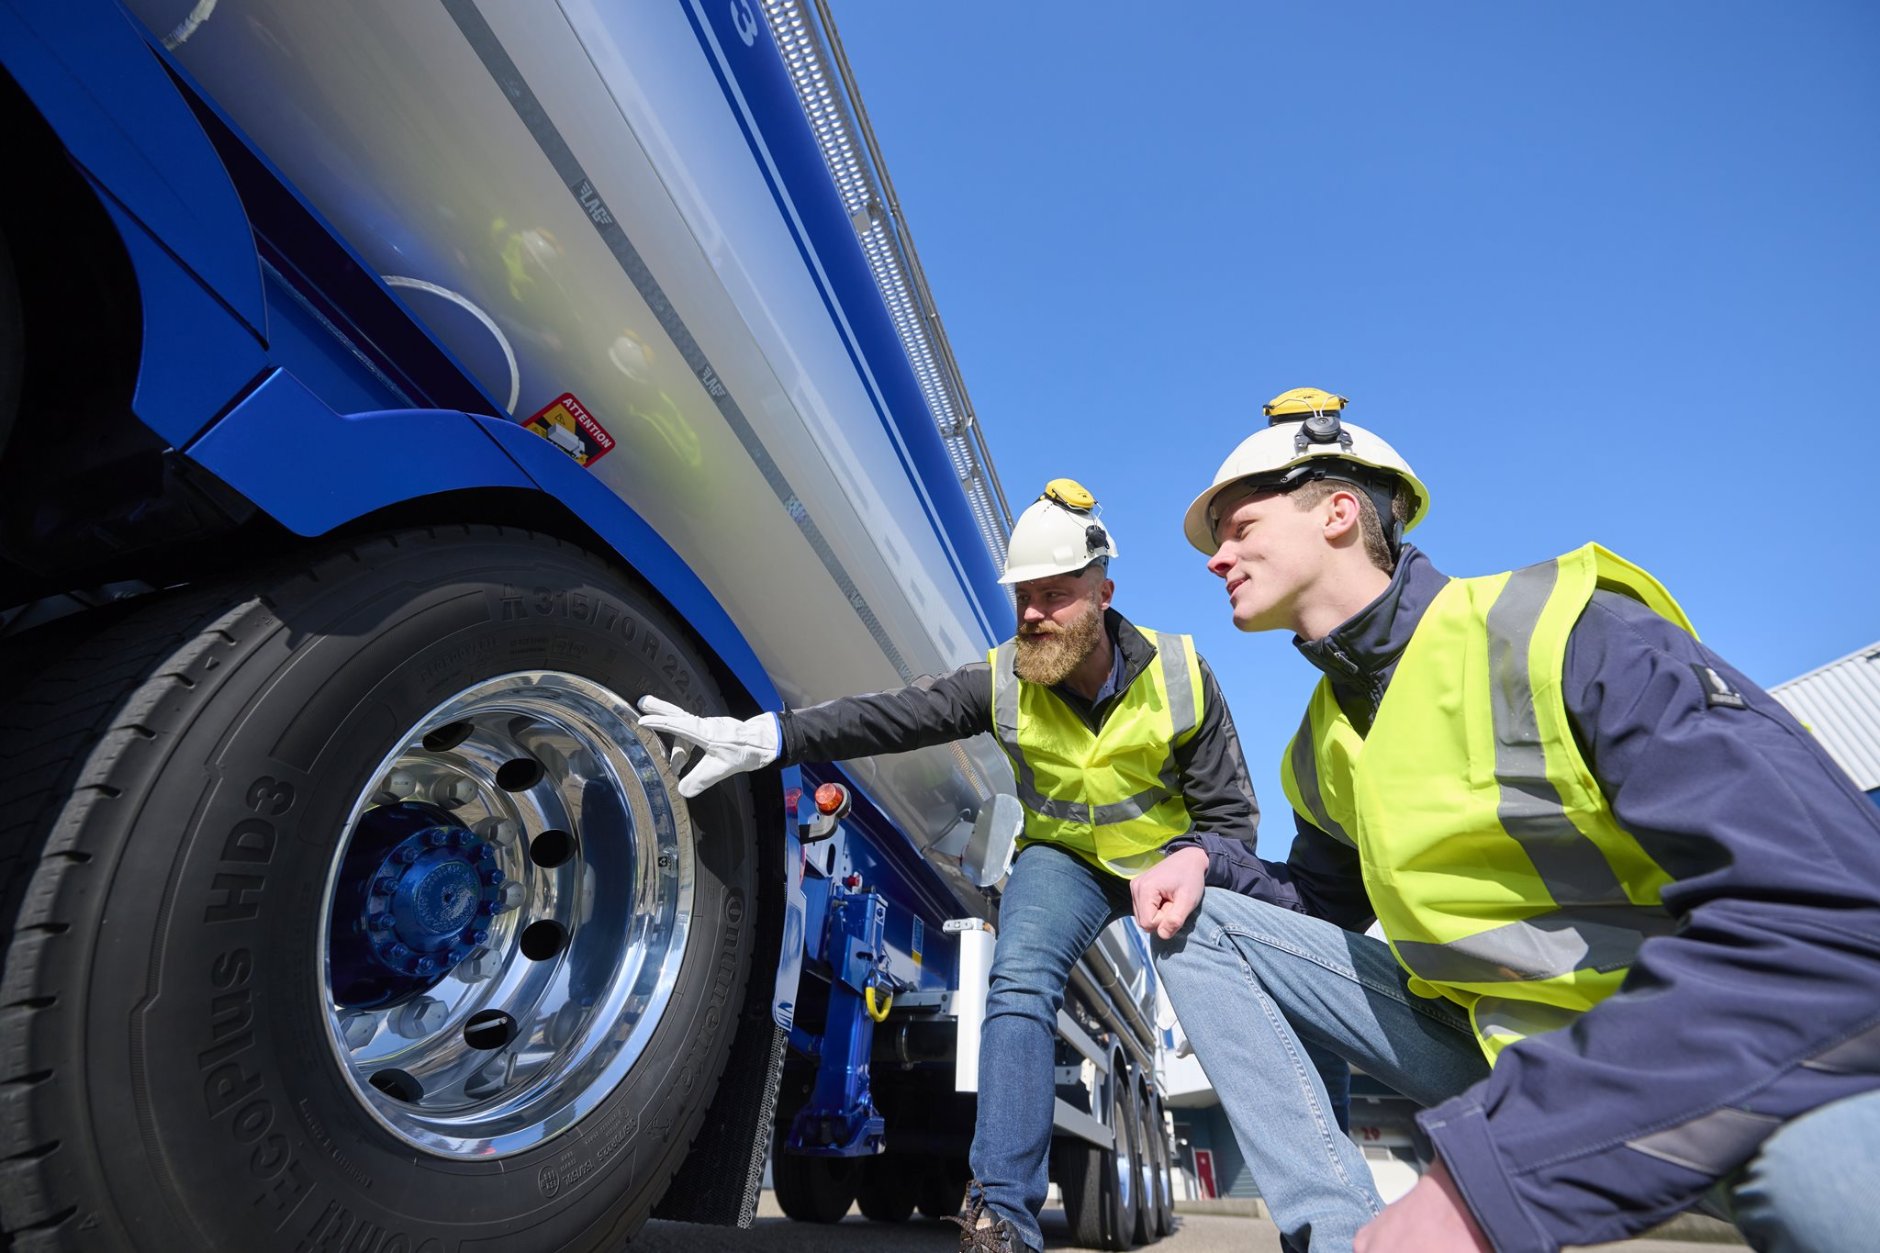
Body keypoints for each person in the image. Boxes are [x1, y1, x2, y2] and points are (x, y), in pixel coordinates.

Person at [1130, 387, 1880, 1253]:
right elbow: (1313, 911)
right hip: (1481, 1048)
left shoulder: (1562, 635)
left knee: (1836, 1178)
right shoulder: (1318, 745)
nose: (1217, 558)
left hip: (1683, 1045)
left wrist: (1488, 1182)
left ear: (1338, 512)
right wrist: (1206, 861)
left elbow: (1836, 923)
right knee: (1204, 922)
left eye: (1239, 527)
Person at [637, 480, 1262, 1253]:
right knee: (1019, 978)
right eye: (1023, 596)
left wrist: (1195, 861)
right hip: (1060, 859)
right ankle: (1002, 1218)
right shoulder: (1004, 678)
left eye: (1055, 595)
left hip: (1166, 867)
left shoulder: (1181, 675)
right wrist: (769, 737)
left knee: (1233, 996)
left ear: (1104, 593)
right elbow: (892, 713)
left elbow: (1233, 820)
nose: (1032, 612)